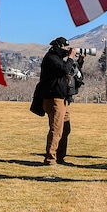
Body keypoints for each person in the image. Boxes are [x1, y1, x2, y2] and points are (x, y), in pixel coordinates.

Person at [38, 37, 84, 166]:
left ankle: (60, 156)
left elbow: (69, 71)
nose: (67, 50)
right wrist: (70, 57)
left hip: (63, 99)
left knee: (66, 128)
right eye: (65, 48)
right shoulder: (51, 58)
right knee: (56, 129)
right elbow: (64, 69)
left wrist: (79, 62)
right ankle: (50, 158)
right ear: (59, 46)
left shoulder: (59, 59)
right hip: (54, 98)